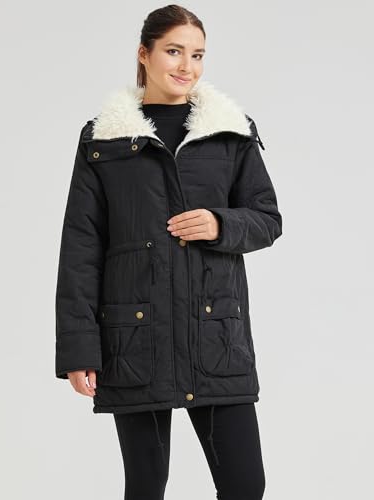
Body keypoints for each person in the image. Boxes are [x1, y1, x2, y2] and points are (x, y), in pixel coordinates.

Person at [55, 4, 282, 499]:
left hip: (215, 335)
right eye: (174, 51)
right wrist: (79, 349)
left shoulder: (229, 130)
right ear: (145, 53)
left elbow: (267, 218)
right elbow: (81, 245)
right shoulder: (104, 138)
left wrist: (221, 223)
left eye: (197, 55)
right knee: (145, 486)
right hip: (137, 336)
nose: (187, 66)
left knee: (245, 484)